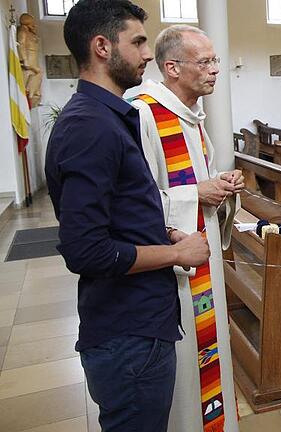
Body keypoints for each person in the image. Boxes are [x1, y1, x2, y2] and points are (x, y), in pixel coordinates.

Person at [45, 1, 211, 431]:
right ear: (102, 46)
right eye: (137, 42)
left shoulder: (108, 117)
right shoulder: (91, 125)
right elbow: (85, 250)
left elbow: (122, 211)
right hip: (128, 330)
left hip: (139, 321)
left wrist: (165, 230)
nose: (147, 54)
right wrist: (176, 254)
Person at [130, 25, 241, 432]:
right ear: (171, 67)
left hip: (201, 260)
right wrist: (198, 193)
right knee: (184, 368)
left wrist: (222, 189)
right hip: (172, 267)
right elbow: (134, 204)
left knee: (207, 356)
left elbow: (196, 181)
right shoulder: (144, 113)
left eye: (216, 60)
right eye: (206, 61)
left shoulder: (190, 114)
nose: (216, 70)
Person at [17, 13, 42, 107]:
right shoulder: (22, 31)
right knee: (28, 80)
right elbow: (21, 44)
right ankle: (29, 98)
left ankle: (33, 95)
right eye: (32, 23)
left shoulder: (30, 33)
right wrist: (25, 60)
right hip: (28, 63)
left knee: (38, 75)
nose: (34, 25)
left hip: (33, 61)